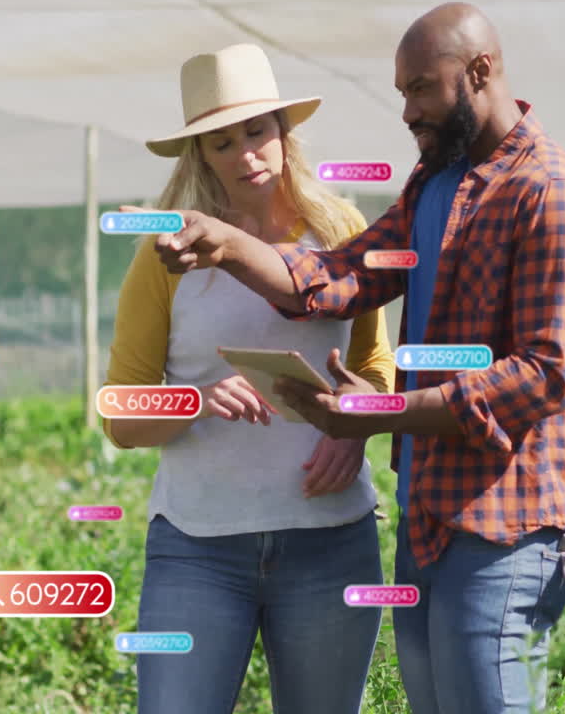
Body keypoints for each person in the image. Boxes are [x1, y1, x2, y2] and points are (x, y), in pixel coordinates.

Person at [144, 4, 565, 714]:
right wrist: (232, 247)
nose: (405, 112)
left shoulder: (552, 194)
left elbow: (543, 377)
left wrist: (377, 412)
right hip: (431, 518)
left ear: (479, 72)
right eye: (401, 92)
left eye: (420, 88)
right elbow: (343, 277)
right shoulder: (437, 182)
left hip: (508, 529)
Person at [101, 43, 396, 714]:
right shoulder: (166, 256)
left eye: (257, 131)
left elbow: (376, 368)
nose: (245, 154)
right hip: (197, 551)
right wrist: (197, 400)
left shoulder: (340, 230)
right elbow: (120, 416)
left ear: (284, 131)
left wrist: (355, 432)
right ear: (200, 154)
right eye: (221, 142)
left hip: (330, 543)